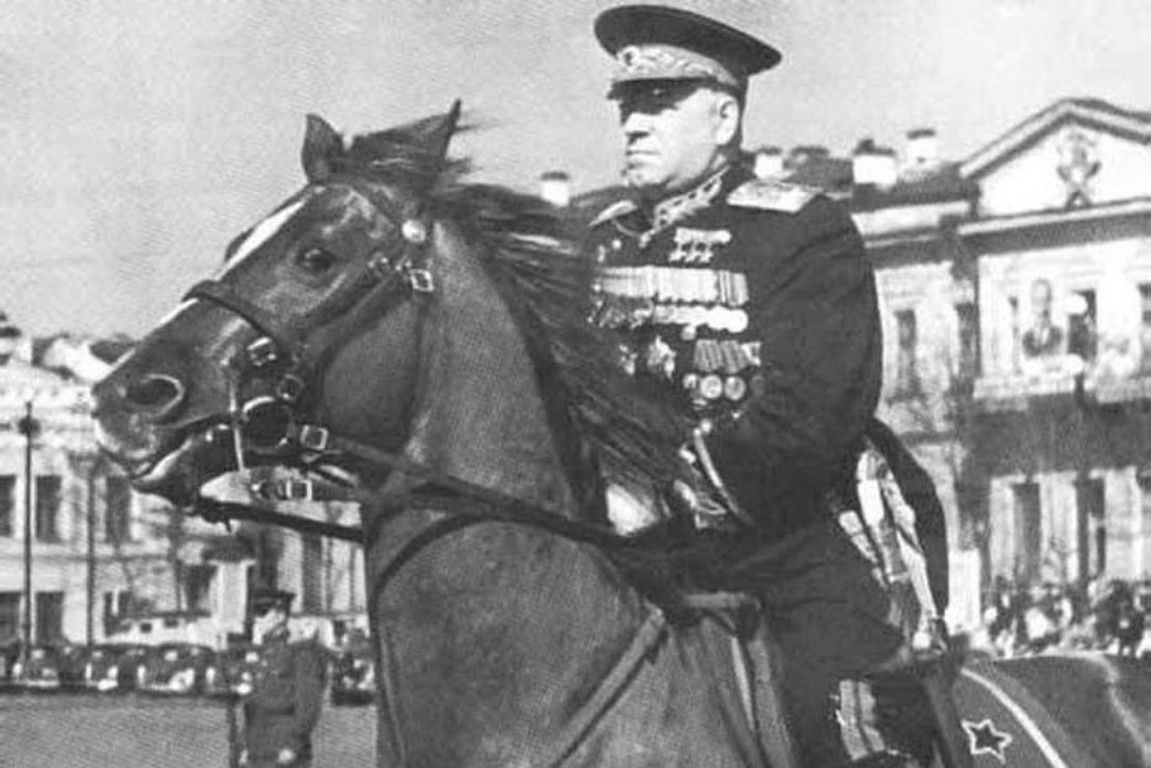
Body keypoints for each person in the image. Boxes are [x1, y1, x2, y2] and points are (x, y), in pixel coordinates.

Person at [584, 6, 948, 766]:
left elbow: (811, 414)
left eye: (659, 104)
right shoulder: (595, 243)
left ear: (724, 118)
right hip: (623, 550)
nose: (633, 125)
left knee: (844, 717)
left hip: (785, 542)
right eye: (626, 106)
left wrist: (662, 494)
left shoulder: (797, 231)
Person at [238, 588, 326, 768]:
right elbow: (252, 706)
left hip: (284, 747)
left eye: (263, 612)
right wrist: (244, 745)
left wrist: (293, 745)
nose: (257, 619)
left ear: (280, 616)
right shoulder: (262, 654)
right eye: (255, 613)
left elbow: (308, 703)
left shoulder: (300, 652)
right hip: (257, 747)